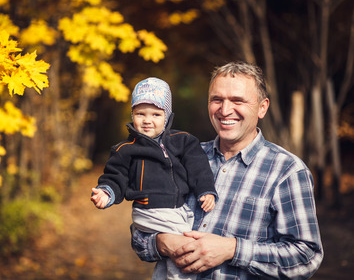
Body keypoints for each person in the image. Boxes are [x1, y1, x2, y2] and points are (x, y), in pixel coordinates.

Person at [131, 62, 324, 279]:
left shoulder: (287, 171)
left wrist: (232, 249)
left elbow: (306, 256)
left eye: (237, 100)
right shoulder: (179, 159)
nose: (224, 110)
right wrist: (161, 243)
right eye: (217, 100)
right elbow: (140, 232)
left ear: (262, 107)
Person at [91, 77, 218, 280]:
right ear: (132, 114)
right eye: (140, 114)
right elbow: (116, 176)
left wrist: (206, 190)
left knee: (168, 261)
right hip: (149, 211)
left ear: (167, 117)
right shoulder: (126, 149)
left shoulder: (183, 141)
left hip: (178, 210)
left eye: (156, 114)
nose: (147, 120)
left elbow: (198, 167)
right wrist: (107, 192)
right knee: (184, 249)